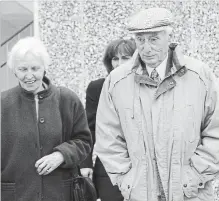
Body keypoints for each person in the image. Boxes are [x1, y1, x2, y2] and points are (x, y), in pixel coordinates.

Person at [95, 8, 219, 201]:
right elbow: (108, 139)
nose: (146, 47)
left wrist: (195, 175)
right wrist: (128, 179)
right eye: (140, 40)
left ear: (168, 37)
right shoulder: (116, 82)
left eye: (153, 39)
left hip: (191, 194)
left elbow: (216, 132)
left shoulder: (200, 76)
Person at [1, 37, 92, 201]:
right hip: (17, 195)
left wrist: (61, 155)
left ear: (45, 68)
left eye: (35, 68)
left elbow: (84, 141)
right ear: (14, 70)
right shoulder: (3, 104)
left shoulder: (67, 99)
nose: (29, 75)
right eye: (22, 69)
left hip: (60, 193)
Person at [80, 39, 136, 201]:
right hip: (107, 167)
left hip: (141, 167)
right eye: (115, 58)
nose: (119, 63)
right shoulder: (97, 88)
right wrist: (85, 164)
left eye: (125, 58)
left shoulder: (146, 87)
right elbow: (89, 129)